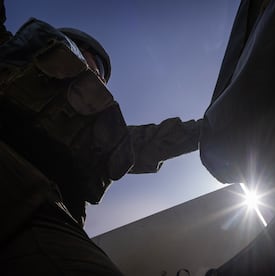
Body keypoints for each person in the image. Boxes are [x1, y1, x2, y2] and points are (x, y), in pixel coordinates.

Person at [0, 2, 201, 275]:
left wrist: (206, 130)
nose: (96, 83)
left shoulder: (95, 137)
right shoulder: (9, 58)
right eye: (90, 69)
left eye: (99, 80)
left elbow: (147, 142)